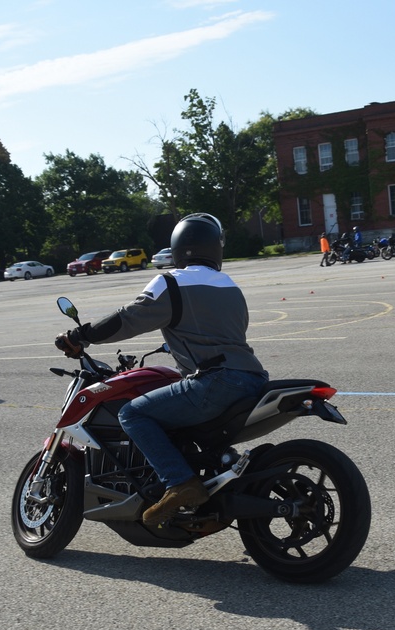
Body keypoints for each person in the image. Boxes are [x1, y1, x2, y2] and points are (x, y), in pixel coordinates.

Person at [55, 213, 269, 527]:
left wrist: (80, 335)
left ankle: (181, 483)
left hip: (215, 382)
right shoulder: (230, 286)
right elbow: (219, 334)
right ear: (215, 249)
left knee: (133, 414)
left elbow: (128, 318)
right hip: (253, 378)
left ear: (179, 246)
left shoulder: (170, 281)